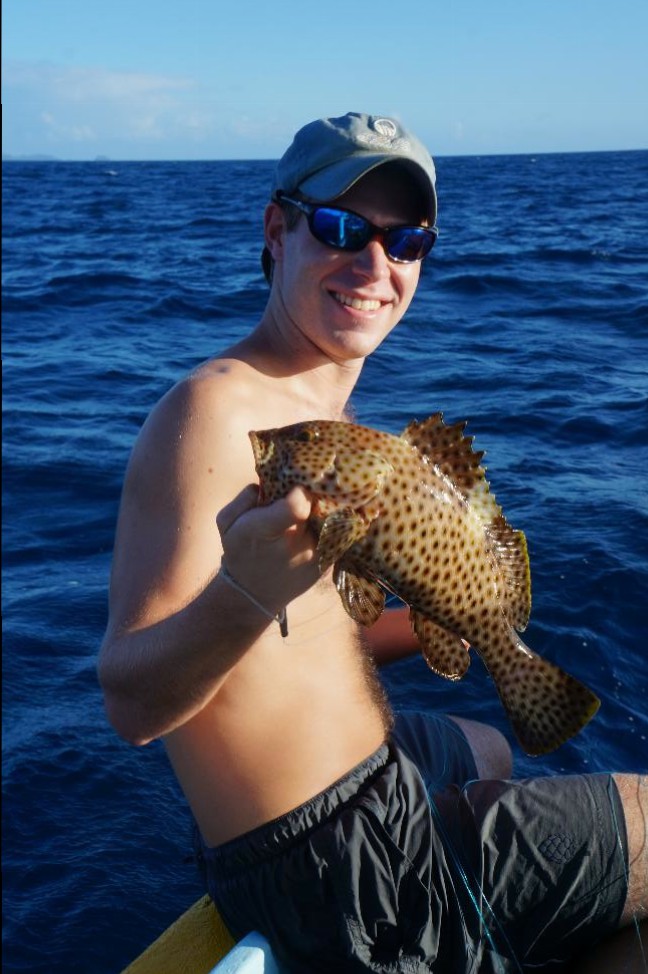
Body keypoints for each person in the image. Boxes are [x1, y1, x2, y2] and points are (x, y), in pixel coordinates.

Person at [98, 113, 647, 972]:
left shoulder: (335, 429)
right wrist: (245, 596)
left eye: (406, 241)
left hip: (372, 782)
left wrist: (465, 624)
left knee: (493, 744)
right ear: (277, 231)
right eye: (343, 228)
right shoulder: (218, 417)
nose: (375, 265)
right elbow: (130, 703)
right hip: (338, 864)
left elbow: (313, 632)